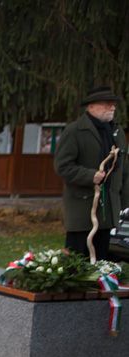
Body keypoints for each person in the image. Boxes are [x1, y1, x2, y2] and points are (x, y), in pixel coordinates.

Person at [54, 86, 128, 260]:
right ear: (91, 106)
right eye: (106, 104)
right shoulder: (75, 131)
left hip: (109, 212)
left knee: (103, 265)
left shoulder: (117, 132)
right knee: (77, 263)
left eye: (113, 104)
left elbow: (123, 170)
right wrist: (89, 176)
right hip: (83, 211)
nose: (112, 107)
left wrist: (125, 203)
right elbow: (62, 166)